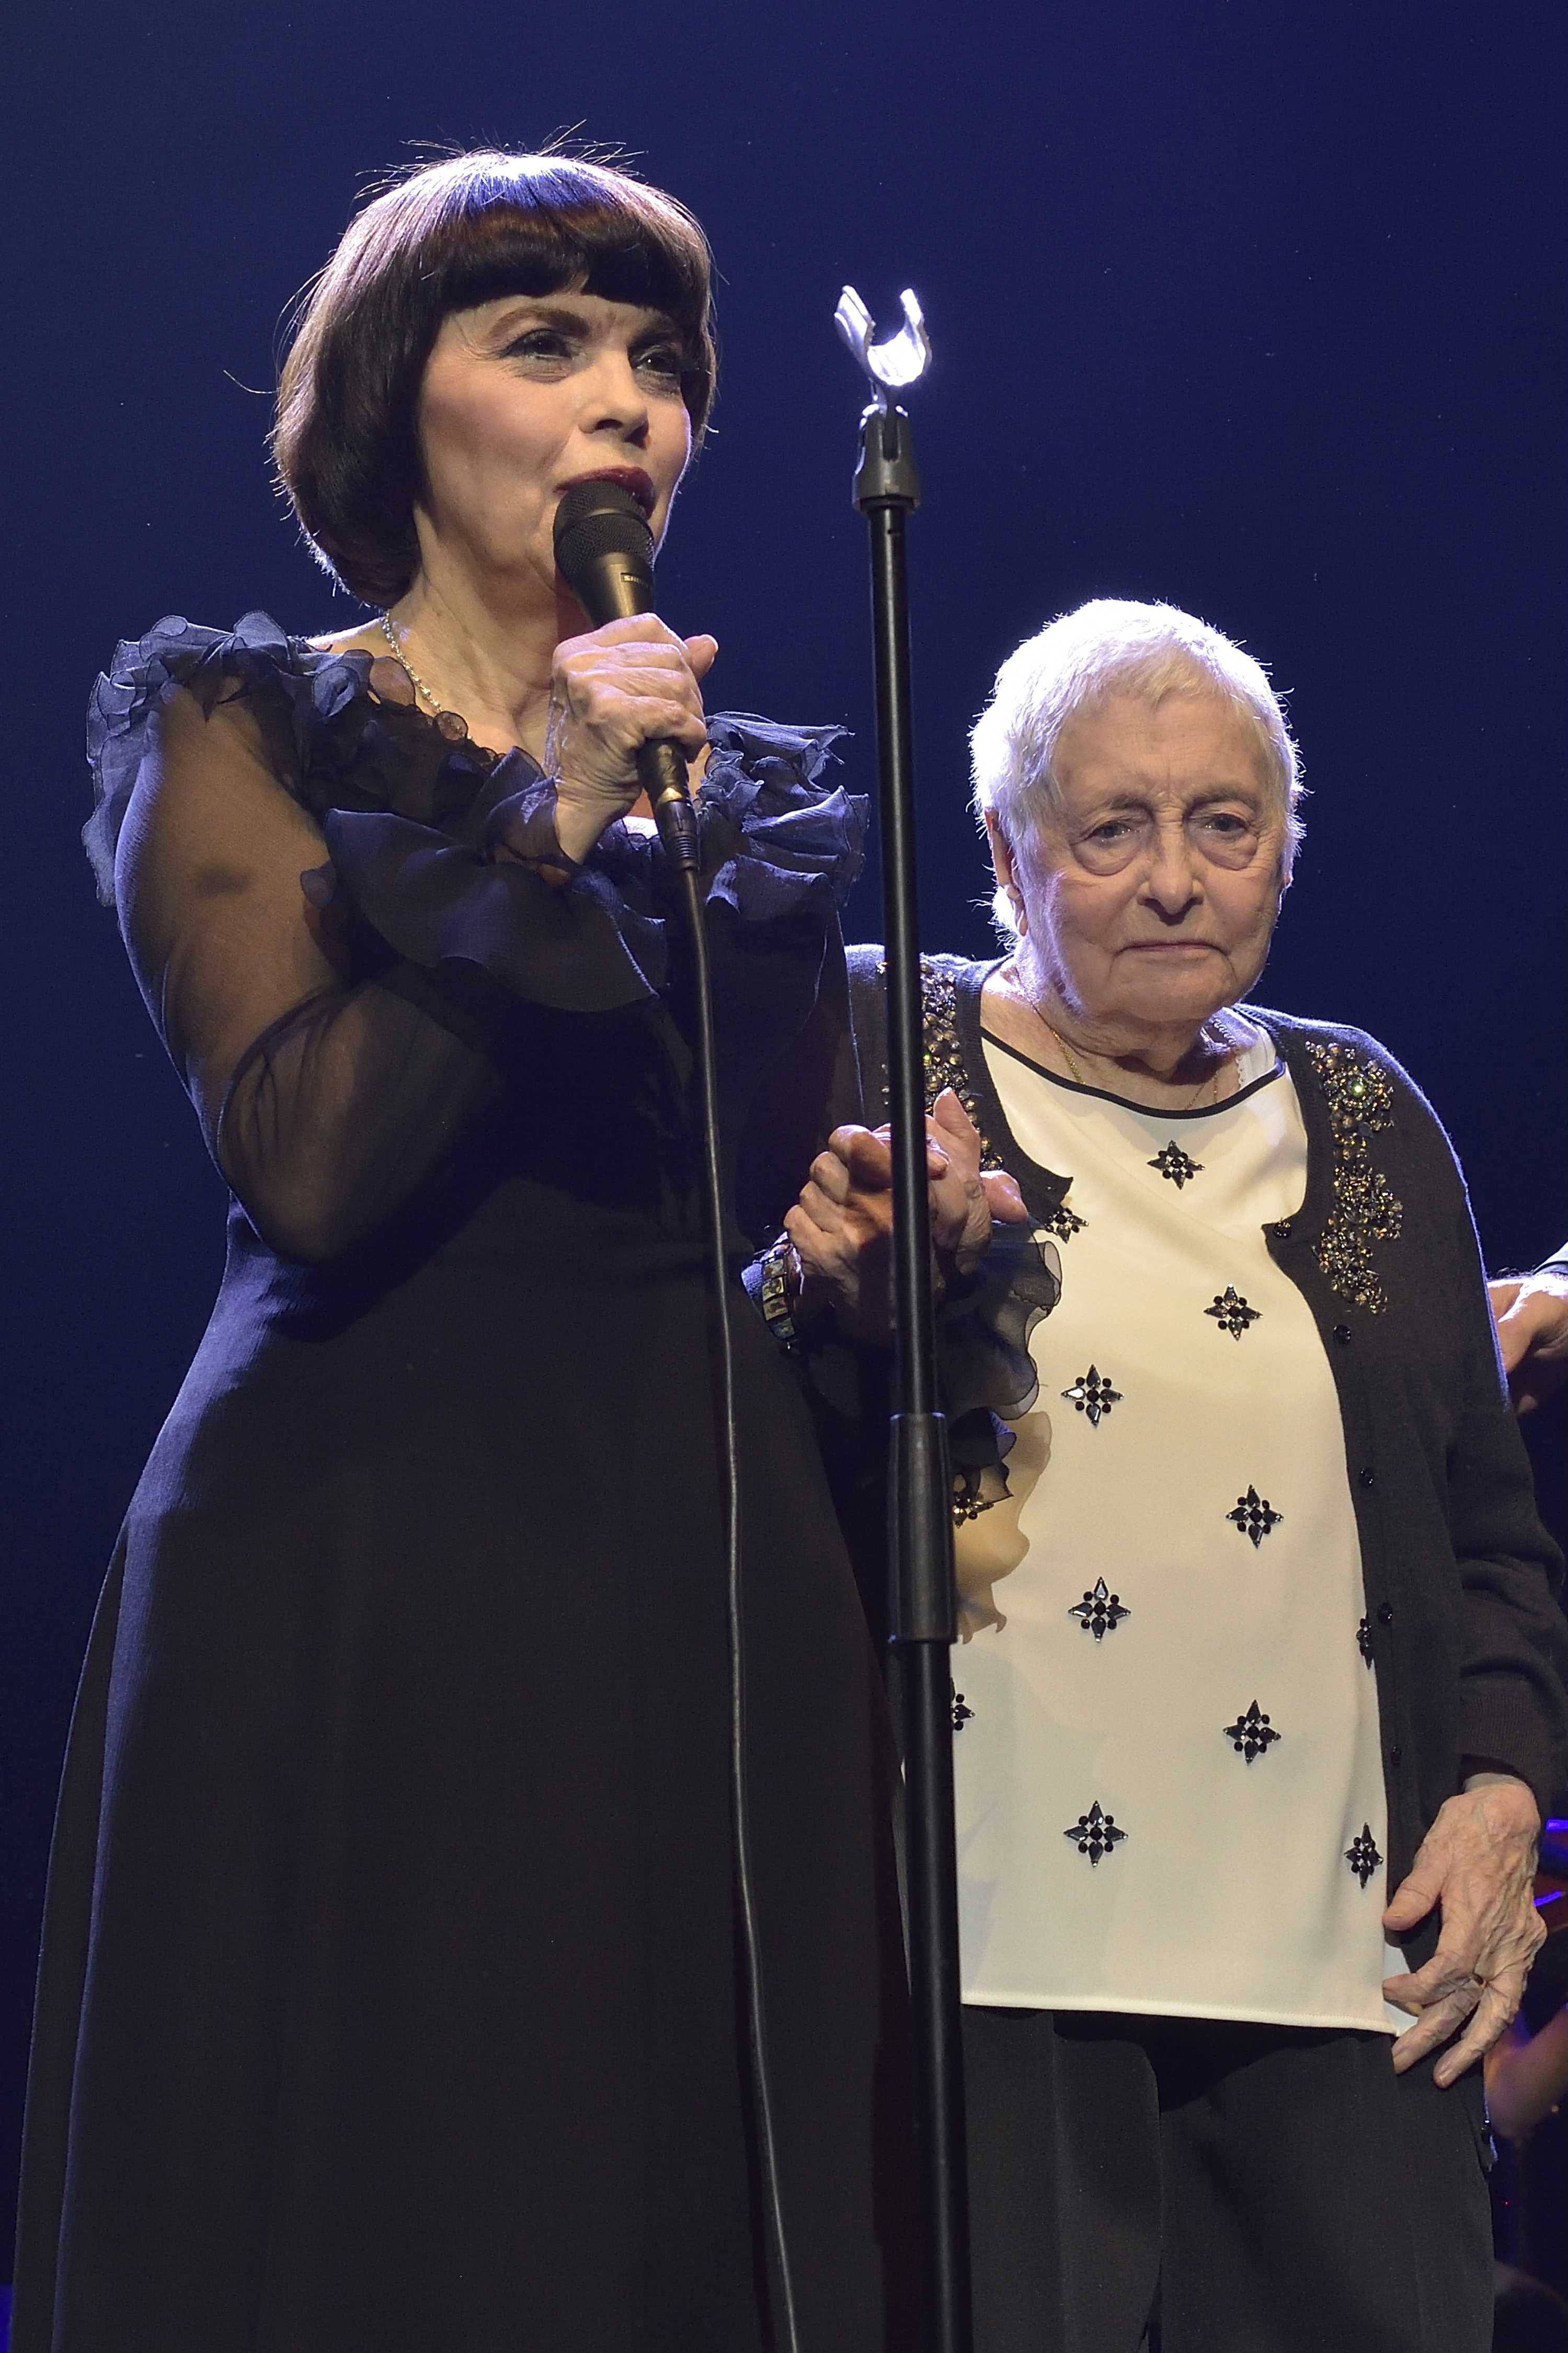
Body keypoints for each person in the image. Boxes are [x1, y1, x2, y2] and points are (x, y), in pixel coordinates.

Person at [13, 152, 916, 2352]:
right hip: (363, 1553)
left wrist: (874, 1238)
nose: (627, 400)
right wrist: (548, 816)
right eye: (545, 343)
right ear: (391, 412)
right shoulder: (244, 727)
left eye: (659, 362)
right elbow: (315, 1168)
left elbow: (757, 1217)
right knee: (394, 2203)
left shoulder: (743, 794)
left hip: (697, 1557)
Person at [779, 599, 1568, 2351]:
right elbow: (732, 1379)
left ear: (1286, 844)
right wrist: (845, 1284)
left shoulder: (1364, 1110)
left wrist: (1506, 1785)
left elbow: (1488, 1533)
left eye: (1225, 823)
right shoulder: (871, 1039)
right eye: (1111, 828)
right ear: (1007, 854)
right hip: (978, 1966)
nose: (1174, 880)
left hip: (1347, 1973)